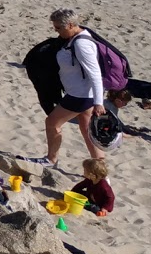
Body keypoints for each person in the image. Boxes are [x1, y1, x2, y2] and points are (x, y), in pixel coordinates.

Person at [36, 9, 107, 168]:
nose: (56, 31)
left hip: (80, 96)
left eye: (58, 28)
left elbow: (95, 74)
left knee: (52, 123)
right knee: (87, 130)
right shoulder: (76, 37)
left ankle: (51, 159)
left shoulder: (81, 44)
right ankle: (101, 171)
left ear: (69, 25)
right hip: (82, 93)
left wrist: (98, 103)